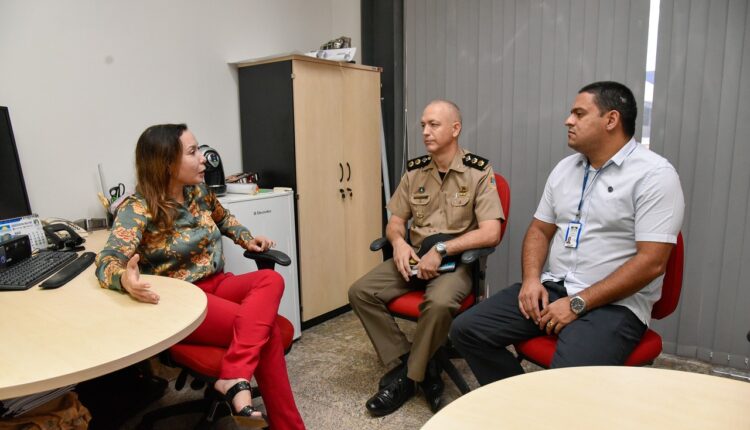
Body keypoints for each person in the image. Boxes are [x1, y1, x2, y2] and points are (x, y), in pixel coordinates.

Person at [450, 81, 685, 385]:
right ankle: (518, 404)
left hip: (615, 305)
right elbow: (539, 230)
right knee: (467, 330)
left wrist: (578, 303)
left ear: (611, 120)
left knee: (566, 381)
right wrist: (532, 280)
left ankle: (550, 408)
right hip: (555, 288)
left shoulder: (654, 175)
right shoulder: (565, 169)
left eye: (579, 114)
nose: (568, 120)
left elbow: (652, 262)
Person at [95, 124, 305, 430]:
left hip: (218, 284)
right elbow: (107, 261)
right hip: (183, 302)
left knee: (272, 280)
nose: (203, 158)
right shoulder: (138, 208)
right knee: (268, 332)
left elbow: (225, 219)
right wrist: (125, 279)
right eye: (193, 152)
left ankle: (234, 376)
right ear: (166, 163)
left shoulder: (198, 192)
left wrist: (247, 239)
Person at [348, 100, 504, 416]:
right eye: (423, 125)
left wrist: (443, 250)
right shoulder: (415, 171)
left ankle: (407, 379)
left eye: (434, 124)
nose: (425, 132)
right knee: (360, 292)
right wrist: (399, 243)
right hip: (416, 257)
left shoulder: (477, 171)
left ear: (455, 129)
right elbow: (395, 221)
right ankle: (418, 362)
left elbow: (491, 233)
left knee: (440, 302)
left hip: (454, 263)